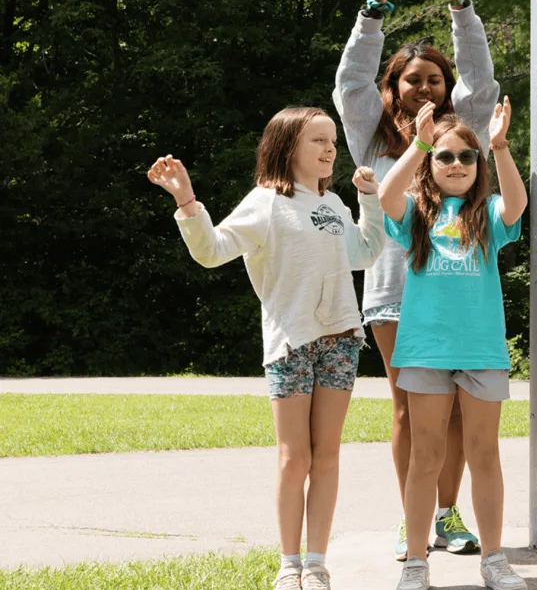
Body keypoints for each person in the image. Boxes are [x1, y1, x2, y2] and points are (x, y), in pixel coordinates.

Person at [146, 107, 387, 590]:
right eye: (317, 140)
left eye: (332, 142)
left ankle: (317, 564)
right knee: (293, 458)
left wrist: (369, 199)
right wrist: (186, 200)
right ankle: (289, 565)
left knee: (327, 456)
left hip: (341, 339)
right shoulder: (266, 202)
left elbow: (366, 252)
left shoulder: (335, 205)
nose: (329, 150)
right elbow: (211, 251)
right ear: (287, 147)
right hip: (290, 343)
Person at [332, 0, 499, 559]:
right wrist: (373, 15)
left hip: (459, 295)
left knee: (458, 415)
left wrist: (461, 10)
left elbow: (480, 82)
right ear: (394, 88)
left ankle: (448, 515)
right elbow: (350, 82)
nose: (424, 87)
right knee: (408, 412)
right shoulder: (370, 136)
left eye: (434, 78)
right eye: (412, 79)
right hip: (394, 294)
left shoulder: (462, 137)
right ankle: (415, 520)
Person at [381, 99, 527, 590]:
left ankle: (494, 560)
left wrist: (500, 146)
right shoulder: (417, 213)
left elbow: (517, 204)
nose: (457, 165)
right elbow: (386, 195)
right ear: (431, 164)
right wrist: (420, 143)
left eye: (467, 157)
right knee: (426, 458)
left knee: (485, 456)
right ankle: (417, 563)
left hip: (482, 352)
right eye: (446, 157)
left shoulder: (488, 212)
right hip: (425, 352)